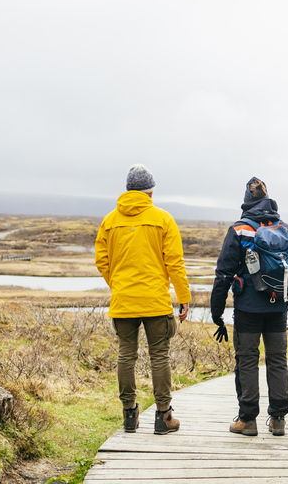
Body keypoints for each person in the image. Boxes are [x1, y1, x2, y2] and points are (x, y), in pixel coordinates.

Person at [95, 164, 191, 435]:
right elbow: (175, 263)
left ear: (128, 190)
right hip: (155, 301)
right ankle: (163, 416)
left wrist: (118, 285)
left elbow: (101, 260)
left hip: (123, 300)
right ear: (150, 191)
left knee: (126, 354)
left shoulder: (110, 221)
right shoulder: (163, 219)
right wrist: (183, 297)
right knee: (159, 356)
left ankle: (129, 414)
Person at [210, 177, 288, 437]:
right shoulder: (285, 228)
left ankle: (247, 420)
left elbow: (223, 274)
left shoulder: (239, 229)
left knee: (247, 360)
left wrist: (217, 313)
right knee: (277, 359)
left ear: (247, 202)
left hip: (248, 307)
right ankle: (278, 419)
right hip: (278, 307)